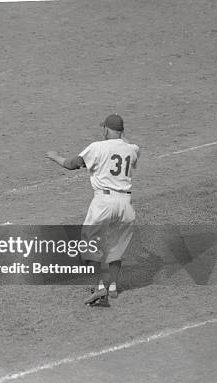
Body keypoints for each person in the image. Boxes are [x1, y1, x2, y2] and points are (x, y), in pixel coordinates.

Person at [45, 114, 140, 307]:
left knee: (87, 247)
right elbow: (127, 144)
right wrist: (121, 135)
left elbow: (73, 164)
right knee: (116, 248)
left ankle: (99, 287)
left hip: (103, 203)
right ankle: (112, 286)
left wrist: (55, 156)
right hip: (126, 204)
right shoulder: (133, 150)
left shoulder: (97, 147)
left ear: (106, 129)